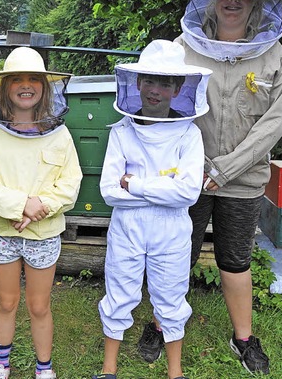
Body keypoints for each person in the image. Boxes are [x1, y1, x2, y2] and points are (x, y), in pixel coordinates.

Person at [136, 0, 282, 375]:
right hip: (186, 178)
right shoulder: (181, 48)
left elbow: (275, 122)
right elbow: (164, 109)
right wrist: (197, 166)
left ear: (258, 1)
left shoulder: (275, 55)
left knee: (236, 260)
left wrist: (222, 169)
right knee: (175, 256)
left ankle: (243, 338)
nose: (233, 1)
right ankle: (159, 326)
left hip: (243, 180)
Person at [91, 39, 212, 379]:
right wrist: (162, 188)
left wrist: (136, 183)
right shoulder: (122, 132)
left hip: (172, 229)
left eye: (164, 83)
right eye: (149, 81)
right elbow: (109, 191)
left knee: (171, 295)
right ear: (138, 83)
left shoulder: (189, 135)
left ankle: (176, 373)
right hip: (127, 227)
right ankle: (108, 369)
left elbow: (188, 192)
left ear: (177, 89)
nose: (155, 90)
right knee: (119, 291)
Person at [0, 46, 83, 379]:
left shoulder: (60, 135)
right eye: (17, 79)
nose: (26, 85)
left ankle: (44, 367)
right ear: (3, 87)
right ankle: (0, 363)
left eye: (34, 78)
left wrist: (37, 209)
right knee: (5, 302)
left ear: (46, 87)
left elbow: (69, 185)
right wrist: (21, 205)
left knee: (39, 305)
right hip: (2, 233)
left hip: (43, 235)